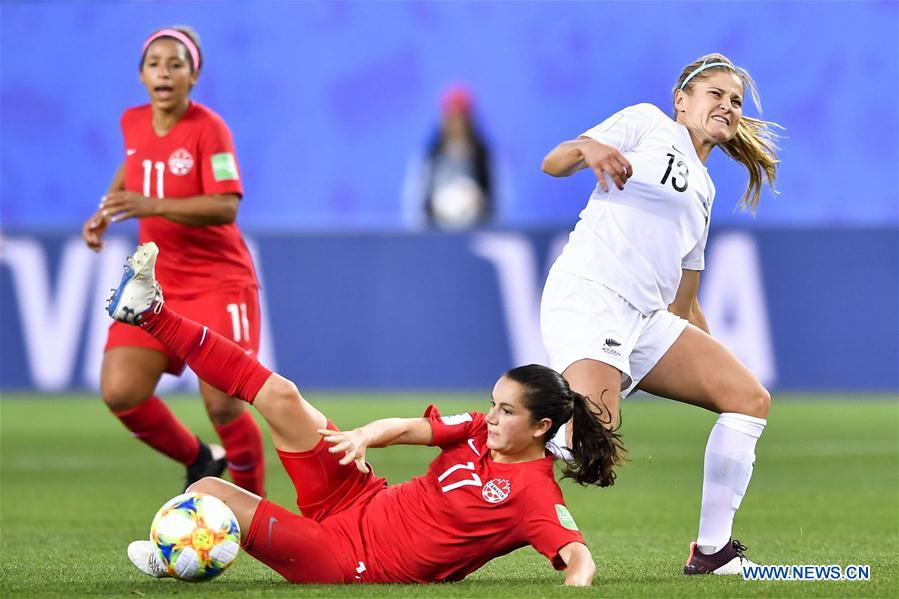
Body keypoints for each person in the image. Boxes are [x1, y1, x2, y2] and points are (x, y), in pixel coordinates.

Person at [109, 242, 622, 585]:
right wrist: (359, 438)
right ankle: (150, 310)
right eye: (493, 403)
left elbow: (578, 557)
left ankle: (173, 553)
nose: (490, 417)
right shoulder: (478, 431)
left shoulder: (534, 493)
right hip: (356, 493)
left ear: (541, 427)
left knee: (204, 493)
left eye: (506, 411)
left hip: (350, 561)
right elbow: (404, 428)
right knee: (283, 395)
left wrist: (575, 588)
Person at [540, 53, 781, 575]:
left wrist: (716, 360)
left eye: (735, 100)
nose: (727, 105)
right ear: (682, 100)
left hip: (646, 318)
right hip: (592, 294)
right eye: (715, 93)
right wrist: (590, 147)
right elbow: (554, 162)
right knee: (589, 435)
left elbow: (685, 302)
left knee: (747, 398)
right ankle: (484, 468)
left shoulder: (706, 190)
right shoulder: (647, 123)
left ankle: (712, 551)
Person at [80, 26, 265, 495]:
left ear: (193, 75)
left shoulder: (210, 129)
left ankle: (256, 511)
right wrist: (106, 211)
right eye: (155, 64)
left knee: (224, 406)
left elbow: (226, 205)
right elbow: (134, 163)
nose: (164, 72)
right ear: (141, 75)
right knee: (121, 392)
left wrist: (149, 205)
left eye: (176, 64)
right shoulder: (133, 122)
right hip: (158, 284)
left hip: (219, 283)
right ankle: (199, 458)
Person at [403, 85, 494, 230]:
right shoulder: (429, 155)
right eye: (451, 117)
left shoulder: (484, 156)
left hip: (475, 234)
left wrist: (479, 204)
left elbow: (497, 200)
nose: (456, 124)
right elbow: (415, 202)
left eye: (461, 117)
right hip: (435, 235)